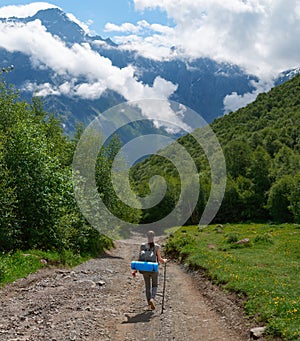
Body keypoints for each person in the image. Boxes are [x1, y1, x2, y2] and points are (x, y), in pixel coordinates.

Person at [132, 230, 168, 310]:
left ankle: (149, 304)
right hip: (153, 269)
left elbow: (139, 259)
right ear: (154, 237)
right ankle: (152, 299)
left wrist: (135, 270)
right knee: (154, 285)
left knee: (147, 286)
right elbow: (160, 259)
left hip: (144, 269)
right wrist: (164, 260)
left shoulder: (142, 246)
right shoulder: (157, 246)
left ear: (147, 237)